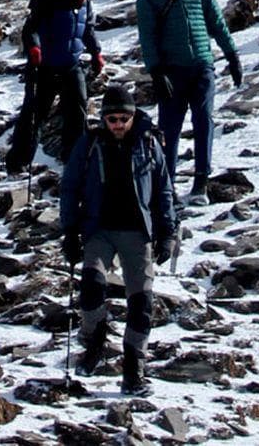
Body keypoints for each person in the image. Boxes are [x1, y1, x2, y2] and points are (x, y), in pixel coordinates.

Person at [58, 82, 176, 395]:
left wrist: (167, 233)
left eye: (124, 118)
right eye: (113, 119)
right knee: (91, 286)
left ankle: (133, 371)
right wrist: (69, 231)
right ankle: (95, 339)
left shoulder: (150, 145)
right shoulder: (89, 144)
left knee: (141, 302)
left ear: (133, 117)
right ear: (104, 120)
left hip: (138, 232)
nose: (119, 125)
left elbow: (164, 190)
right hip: (99, 229)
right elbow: (69, 187)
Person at [135, 0, 242, 203]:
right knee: (169, 129)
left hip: (202, 65)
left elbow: (216, 23)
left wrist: (231, 55)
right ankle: (167, 185)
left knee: (203, 120)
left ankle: (201, 182)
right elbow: (147, 38)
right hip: (171, 71)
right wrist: (156, 72)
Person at [3, 0, 104, 174]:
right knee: (33, 115)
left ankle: (73, 158)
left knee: (78, 112)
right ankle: (17, 163)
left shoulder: (86, 3)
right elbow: (31, 28)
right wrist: (34, 48)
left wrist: (96, 53)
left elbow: (87, 31)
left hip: (71, 65)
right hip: (44, 66)